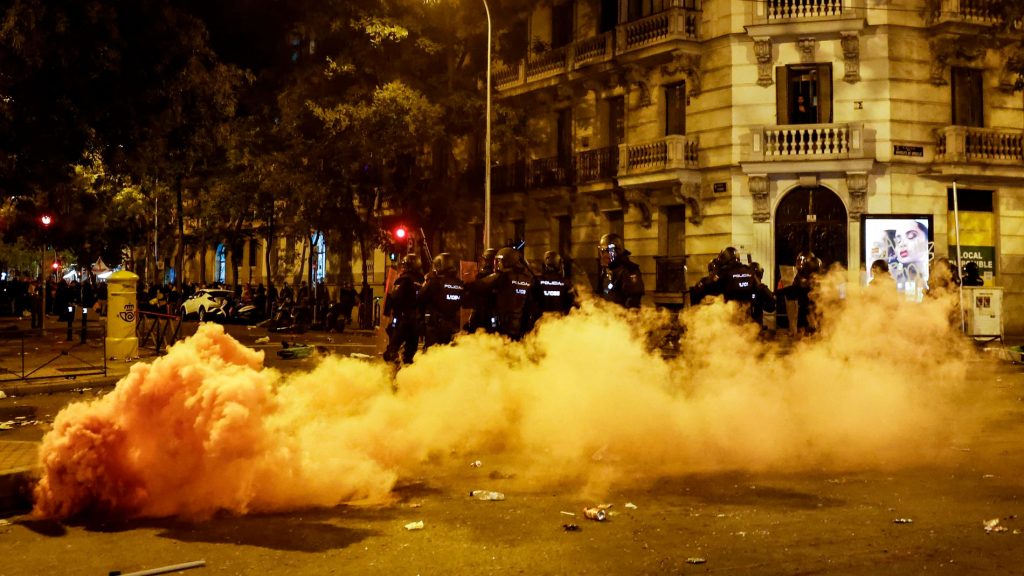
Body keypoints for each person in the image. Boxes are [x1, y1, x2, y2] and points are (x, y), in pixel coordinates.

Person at [481, 247, 534, 340]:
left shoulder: (502, 277)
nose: (497, 265)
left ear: (507, 261)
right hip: (519, 328)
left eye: (499, 261)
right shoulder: (528, 278)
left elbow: (479, 286)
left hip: (501, 326)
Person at [419, 253, 466, 349]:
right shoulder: (459, 284)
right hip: (453, 325)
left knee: (432, 354)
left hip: (435, 327)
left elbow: (420, 297)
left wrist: (426, 283)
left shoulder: (434, 282)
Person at [383, 254, 424, 365]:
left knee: (391, 352)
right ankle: (406, 378)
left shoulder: (404, 279)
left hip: (403, 321)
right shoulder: (422, 280)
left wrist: (388, 311)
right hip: (416, 323)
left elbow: (394, 297)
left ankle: (392, 376)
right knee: (410, 355)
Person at [529, 250, 576, 327]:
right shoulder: (566, 283)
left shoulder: (536, 281)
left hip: (540, 324)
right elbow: (573, 305)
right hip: (559, 324)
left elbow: (529, 303)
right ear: (558, 264)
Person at [598, 233, 644, 308]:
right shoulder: (606, 270)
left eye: (608, 251)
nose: (604, 255)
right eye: (602, 251)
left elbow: (633, 299)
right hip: (607, 316)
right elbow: (605, 293)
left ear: (617, 251)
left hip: (622, 317)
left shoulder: (629, 270)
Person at [466, 248, 498, 333]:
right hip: (494, 314)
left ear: (487, 260)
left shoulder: (482, 275)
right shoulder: (500, 276)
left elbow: (473, 292)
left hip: (480, 312)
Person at [891, 221, 929, 287]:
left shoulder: (935, 276)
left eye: (911, 236)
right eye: (898, 240)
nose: (902, 244)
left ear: (927, 241)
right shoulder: (893, 280)